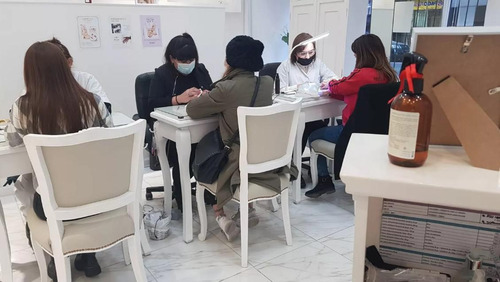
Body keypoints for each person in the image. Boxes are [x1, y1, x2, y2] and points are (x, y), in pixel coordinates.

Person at [4, 42, 113, 279]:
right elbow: (108, 139)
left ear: (30, 72)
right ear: (65, 67)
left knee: (26, 189)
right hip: (96, 195)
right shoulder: (92, 101)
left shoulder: (22, 107)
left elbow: (13, 142)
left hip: (52, 205)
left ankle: (53, 255)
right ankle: (88, 255)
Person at [187, 35, 297, 241]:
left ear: (229, 61)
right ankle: (248, 210)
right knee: (243, 146)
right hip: (268, 161)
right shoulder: (266, 82)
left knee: (205, 154)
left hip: (239, 163)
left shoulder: (225, 89)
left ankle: (220, 215)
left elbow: (192, 109)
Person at [305, 34, 398, 199]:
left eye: (356, 55)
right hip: (376, 133)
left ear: (363, 55)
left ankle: (324, 179)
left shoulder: (362, 74)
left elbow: (340, 86)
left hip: (352, 132)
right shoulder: (388, 75)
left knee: (313, 135)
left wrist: (330, 86)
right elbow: (355, 93)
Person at [148, 33, 213, 212]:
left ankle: (209, 191)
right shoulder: (162, 74)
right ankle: (181, 196)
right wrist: (178, 99)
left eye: (191, 59)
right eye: (182, 60)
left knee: (214, 147)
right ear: (172, 59)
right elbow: (151, 103)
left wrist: (206, 94)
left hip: (200, 123)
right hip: (174, 129)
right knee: (182, 155)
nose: (188, 64)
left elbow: (212, 89)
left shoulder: (200, 70)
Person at [277, 32, 339, 188]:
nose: (307, 56)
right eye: (303, 53)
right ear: (295, 53)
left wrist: (326, 83)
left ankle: (318, 169)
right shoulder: (286, 66)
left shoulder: (317, 63)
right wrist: (296, 87)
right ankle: (294, 169)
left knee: (318, 126)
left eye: (311, 53)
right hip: (293, 112)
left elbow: (333, 78)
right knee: (304, 130)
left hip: (315, 108)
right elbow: (279, 90)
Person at [45, 37, 112, 113]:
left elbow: (105, 108)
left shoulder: (86, 79)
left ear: (69, 62)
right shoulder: (39, 85)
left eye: (55, 64)